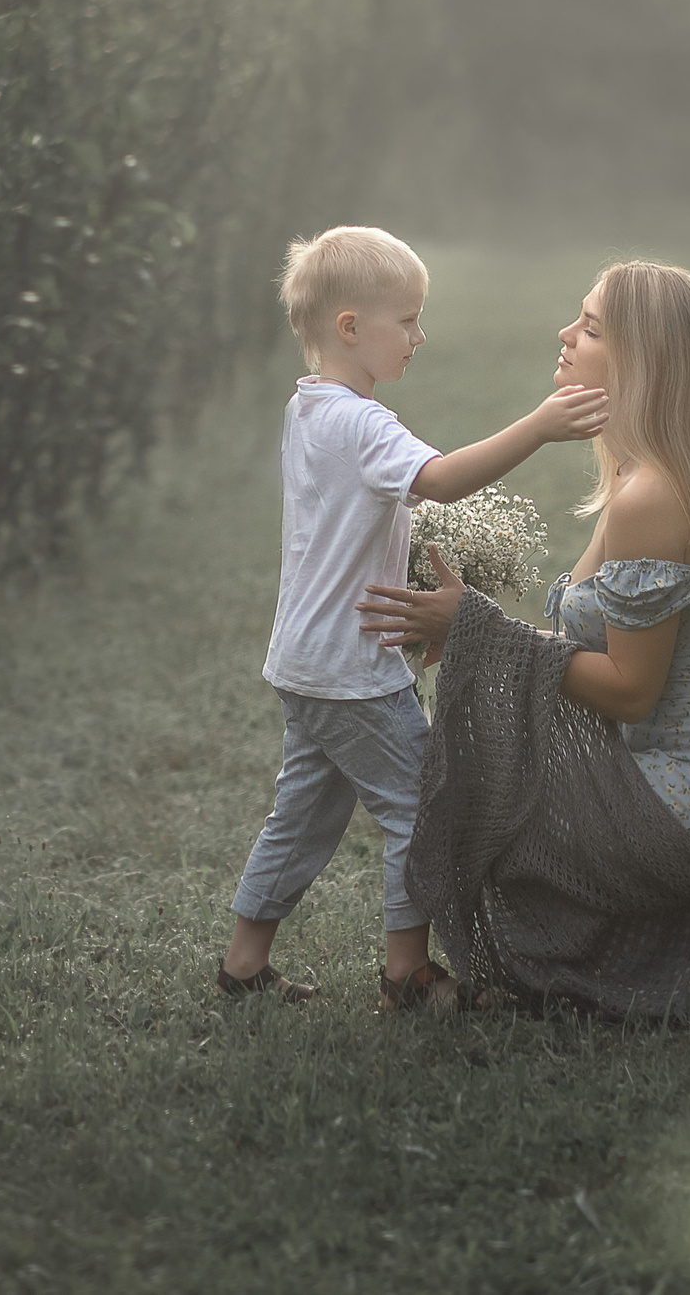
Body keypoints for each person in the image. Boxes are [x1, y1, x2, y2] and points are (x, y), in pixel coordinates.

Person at [358, 260, 690, 1016]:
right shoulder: (656, 474)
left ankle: (636, 977)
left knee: (498, 819)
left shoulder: (652, 496)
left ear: (643, 361)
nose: (566, 335)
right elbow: (580, 649)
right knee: (513, 795)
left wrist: (475, 628)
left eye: (592, 327)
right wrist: (470, 623)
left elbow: (631, 692)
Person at [217, 226, 608, 1013]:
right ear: (351, 326)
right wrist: (537, 426)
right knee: (421, 805)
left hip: (305, 660)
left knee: (301, 812)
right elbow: (440, 479)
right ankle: (406, 975)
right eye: (408, 319)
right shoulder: (363, 425)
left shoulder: (310, 411)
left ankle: (243, 963)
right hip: (353, 671)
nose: (421, 336)